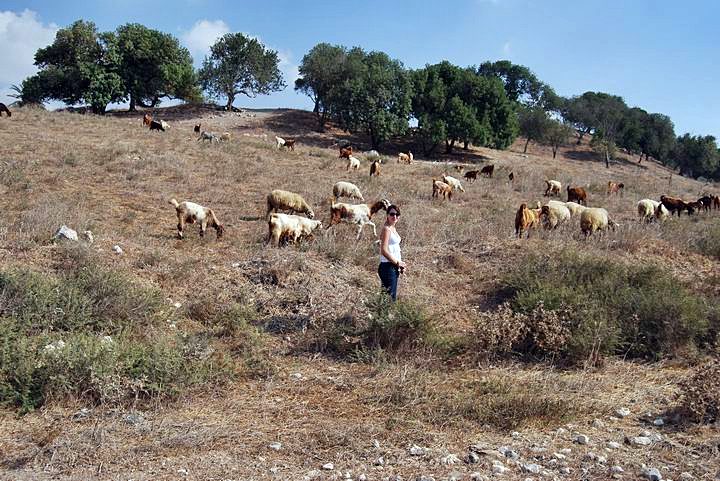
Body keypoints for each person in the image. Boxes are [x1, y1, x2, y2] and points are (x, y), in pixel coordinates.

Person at [378, 204, 406, 301]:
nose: (395, 216)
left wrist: (399, 265)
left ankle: (380, 316)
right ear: (387, 215)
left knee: (386, 298)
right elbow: (384, 250)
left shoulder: (392, 228)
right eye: (392, 214)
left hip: (393, 266)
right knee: (390, 299)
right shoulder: (387, 229)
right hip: (387, 267)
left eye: (397, 214)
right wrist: (398, 263)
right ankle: (385, 316)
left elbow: (394, 249)